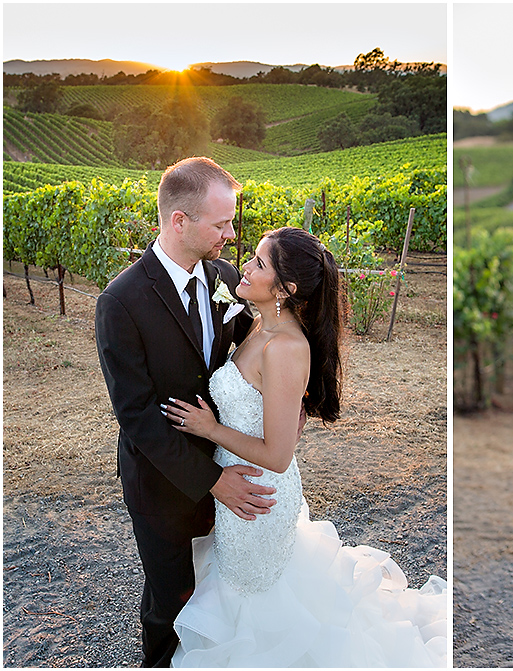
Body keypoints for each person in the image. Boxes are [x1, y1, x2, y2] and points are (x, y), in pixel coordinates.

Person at [159, 227, 447, 667]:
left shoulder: (286, 347)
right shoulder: (258, 323)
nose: (246, 266)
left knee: (261, 608)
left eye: (259, 263)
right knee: (243, 601)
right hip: (238, 492)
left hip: (258, 496)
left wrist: (209, 429)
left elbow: (277, 455)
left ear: (286, 289)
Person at [95, 157, 272, 667]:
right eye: (221, 224)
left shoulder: (225, 278)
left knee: (219, 593)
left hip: (228, 462)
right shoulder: (121, 302)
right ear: (179, 221)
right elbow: (137, 417)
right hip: (162, 485)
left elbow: (246, 358)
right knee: (171, 602)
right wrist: (214, 479)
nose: (231, 233)